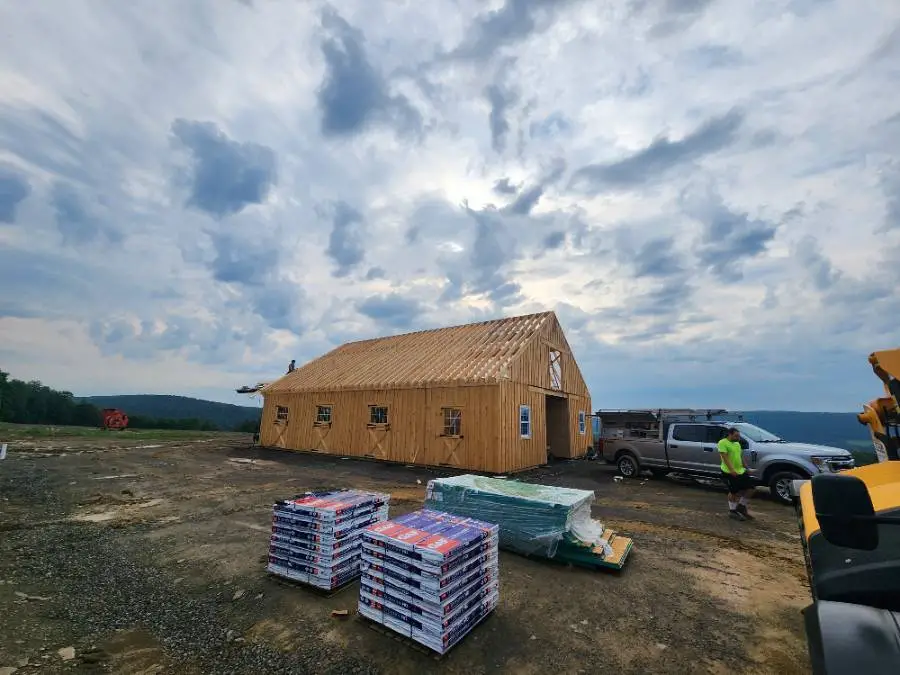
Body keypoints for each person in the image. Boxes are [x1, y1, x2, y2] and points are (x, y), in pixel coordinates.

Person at [718, 427, 754, 521]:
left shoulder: (737, 443)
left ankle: (741, 507)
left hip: (740, 470)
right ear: (730, 434)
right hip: (728, 471)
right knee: (733, 492)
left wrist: (747, 468)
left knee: (751, 488)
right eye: (736, 436)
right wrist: (731, 470)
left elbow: (740, 457)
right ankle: (732, 511)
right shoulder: (722, 443)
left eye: (738, 436)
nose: (738, 437)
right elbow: (725, 458)